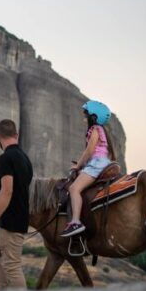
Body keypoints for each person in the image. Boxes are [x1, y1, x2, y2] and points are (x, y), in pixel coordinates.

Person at [0, 120, 33, 290]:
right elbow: (16, 189)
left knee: (12, 266)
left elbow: (8, 190)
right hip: (8, 220)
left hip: (11, 221)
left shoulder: (5, 158)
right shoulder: (25, 158)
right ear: (16, 135)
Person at [60, 101, 118, 238]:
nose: (84, 118)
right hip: (101, 162)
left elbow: (89, 151)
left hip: (96, 163)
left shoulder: (95, 129)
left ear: (94, 116)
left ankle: (75, 222)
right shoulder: (102, 130)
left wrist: (78, 165)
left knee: (74, 189)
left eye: (86, 115)